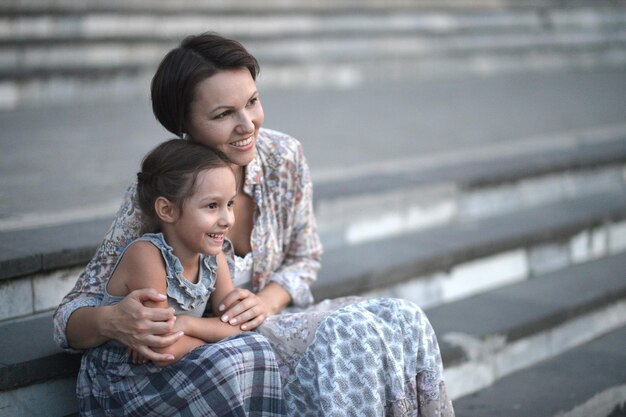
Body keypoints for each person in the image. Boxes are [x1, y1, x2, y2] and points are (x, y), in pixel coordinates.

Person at [55, 32, 455, 416]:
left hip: (266, 325)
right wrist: (113, 320)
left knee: (403, 318)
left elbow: (305, 258)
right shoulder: (165, 193)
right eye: (224, 113)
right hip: (215, 355)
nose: (247, 124)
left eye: (252, 101)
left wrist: (266, 302)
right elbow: (70, 315)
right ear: (185, 127)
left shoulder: (284, 156)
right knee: (347, 335)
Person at [75, 139, 285, 416]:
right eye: (212, 206)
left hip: (176, 364)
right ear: (168, 210)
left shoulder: (213, 254)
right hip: (128, 379)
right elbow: (164, 349)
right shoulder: (147, 255)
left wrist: (186, 324)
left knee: (254, 347)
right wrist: (212, 332)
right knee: (231, 358)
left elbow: (238, 325)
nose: (228, 219)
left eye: (230, 204)